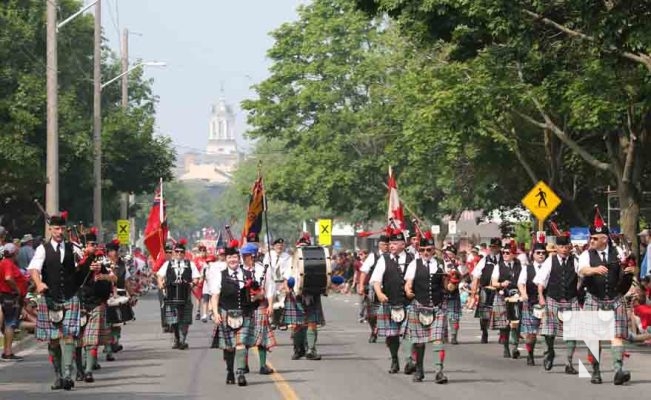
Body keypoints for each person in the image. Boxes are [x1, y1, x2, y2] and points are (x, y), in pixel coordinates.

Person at [27, 212, 93, 390]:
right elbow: (33, 269)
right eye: (56, 228)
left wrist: (90, 260)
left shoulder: (73, 247)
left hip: (71, 296)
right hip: (50, 298)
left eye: (62, 228)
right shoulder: (43, 249)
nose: (59, 231)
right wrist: (39, 283)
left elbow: (83, 269)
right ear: (50, 229)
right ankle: (58, 375)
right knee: (53, 340)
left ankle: (67, 375)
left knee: (69, 335)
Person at [577, 207, 634, 385]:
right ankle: (595, 371)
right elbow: (582, 270)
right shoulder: (586, 254)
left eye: (595, 238)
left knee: (616, 335)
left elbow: (627, 268)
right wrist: (594, 270)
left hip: (615, 298)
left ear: (604, 239)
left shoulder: (618, 253)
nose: (591, 240)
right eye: (591, 237)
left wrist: (630, 271)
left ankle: (618, 370)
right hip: (594, 298)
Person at [533, 229, 581, 374]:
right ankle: (549, 352)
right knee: (548, 332)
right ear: (557, 248)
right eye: (561, 247)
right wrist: (541, 296)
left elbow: (582, 276)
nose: (564, 250)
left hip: (571, 299)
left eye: (566, 247)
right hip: (553, 298)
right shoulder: (550, 261)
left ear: (569, 247)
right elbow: (541, 280)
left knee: (572, 333)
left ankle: (569, 363)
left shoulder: (575, 261)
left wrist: (577, 289)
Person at [404, 233, 449, 383]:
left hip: (437, 306)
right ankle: (419, 370)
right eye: (422, 250)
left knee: (437, 340)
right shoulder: (413, 264)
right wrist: (408, 291)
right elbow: (408, 284)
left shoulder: (441, 264)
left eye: (428, 250)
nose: (425, 253)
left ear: (433, 251)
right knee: (418, 342)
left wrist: (454, 282)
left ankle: (439, 372)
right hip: (419, 306)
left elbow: (447, 286)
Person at [210, 240, 255, 386]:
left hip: (244, 313)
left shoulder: (248, 274)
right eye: (230, 257)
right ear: (226, 260)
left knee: (241, 343)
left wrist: (256, 294)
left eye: (235, 257)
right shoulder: (220, 275)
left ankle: (240, 372)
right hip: (226, 313)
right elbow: (215, 295)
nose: (233, 260)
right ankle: (230, 370)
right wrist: (215, 313)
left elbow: (257, 294)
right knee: (229, 347)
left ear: (239, 258)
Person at [369, 229, 414, 373]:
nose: (392, 246)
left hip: (409, 303)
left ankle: (409, 361)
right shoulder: (384, 259)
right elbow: (376, 279)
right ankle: (394, 359)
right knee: (392, 335)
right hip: (390, 302)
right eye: (391, 243)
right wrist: (379, 293)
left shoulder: (413, 258)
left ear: (403, 244)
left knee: (409, 333)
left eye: (395, 243)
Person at [75, 230, 115, 382]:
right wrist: (84, 265)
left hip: (96, 303)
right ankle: (79, 370)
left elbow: (113, 277)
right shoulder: (74, 258)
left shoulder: (101, 259)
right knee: (77, 341)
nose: (94, 246)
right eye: (91, 244)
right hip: (77, 304)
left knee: (91, 340)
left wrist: (101, 275)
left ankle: (88, 371)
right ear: (83, 246)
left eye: (95, 244)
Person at [284, 233, 327, 360]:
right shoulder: (291, 260)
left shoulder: (315, 259)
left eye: (305, 245)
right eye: (301, 245)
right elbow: (286, 279)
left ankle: (311, 350)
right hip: (296, 295)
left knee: (312, 323)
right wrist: (288, 290)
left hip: (313, 294)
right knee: (297, 324)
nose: (302, 248)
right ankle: (298, 349)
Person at [239, 243, 276, 374]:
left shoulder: (263, 269)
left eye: (247, 255)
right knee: (244, 335)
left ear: (253, 256)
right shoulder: (238, 270)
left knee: (262, 335)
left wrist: (270, 304)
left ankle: (262, 365)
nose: (244, 257)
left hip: (260, 305)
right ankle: (243, 365)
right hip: (244, 306)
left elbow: (270, 288)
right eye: (243, 255)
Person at [157, 239, 200, 350]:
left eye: (181, 252)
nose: (179, 254)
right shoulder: (167, 264)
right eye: (177, 252)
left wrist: (192, 283)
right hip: (171, 295)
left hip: (185, 295)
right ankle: (177, 338)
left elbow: (196, 278)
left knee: (185, 320)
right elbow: (159, 276)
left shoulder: (190, 264)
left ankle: (182, 340)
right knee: (173, 320)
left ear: (184, 253)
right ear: (173, 253)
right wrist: (161, 284)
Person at [490, 241, 523, 359]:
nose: (504, 254)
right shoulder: (498, 266)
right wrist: (501, 284)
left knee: (515, 323)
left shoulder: (520, 266)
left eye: (507, 253)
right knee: (504, 325)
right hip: (502, 296)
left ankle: (515, 347)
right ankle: (505, 347)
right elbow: (493, 282)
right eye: (503, 252)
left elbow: (523, 281)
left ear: (513, 254)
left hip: (516, 297)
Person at [517, 241, 546, 366]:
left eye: (543, 253)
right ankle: (530, 354)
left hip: (546, 303)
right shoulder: (526, 269)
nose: (541, 255)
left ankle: (548, 354)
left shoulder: (549, 267)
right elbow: (520, 283)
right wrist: (523, 293)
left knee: (548, 333)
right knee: (531, 333)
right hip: (531, 302)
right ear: (532, 254)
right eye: (538, 253)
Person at [357, 234, 390, 343]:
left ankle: (389, 334)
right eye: (384, 244)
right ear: (379, 245)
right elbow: (364, 272)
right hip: (374, 288)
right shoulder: (373, 256)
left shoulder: (392, 256)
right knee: (372, 314)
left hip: (389, 287)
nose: (386, 246)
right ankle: (374, 330)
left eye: (387, 244)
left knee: (389, 312)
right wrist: (361, 285)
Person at [470, 237, 502, 343]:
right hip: (486, 289)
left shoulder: (504, 259)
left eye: (496, 247)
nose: (493, 249)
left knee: (501, 313)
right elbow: (476, 276)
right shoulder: (485, 259)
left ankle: (503, 334)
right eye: (492, 246)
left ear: (499, 248)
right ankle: (484, 332)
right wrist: (473, 294)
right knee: (484, 314)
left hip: (499, 290)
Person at [0, 243, 29, 360]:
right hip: (10, 297)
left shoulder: (6, 263)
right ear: (13, 253)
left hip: (8, 296)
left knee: (8, 324)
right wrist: (17, 289)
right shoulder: (7, 264)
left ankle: (7, 351)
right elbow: (8, 278)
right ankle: (8, 352)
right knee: (10, 324)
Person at [263, 238, 292, 330]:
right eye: (277, 245)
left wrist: (285, 282)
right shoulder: (269, 255)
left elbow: (288, 270)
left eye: (281, 245)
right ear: (274, 246)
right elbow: (265, 267)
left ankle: (281, 321)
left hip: (281, 281)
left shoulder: (287, 256)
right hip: (270, 280)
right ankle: (272, 321)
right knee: (271, 301)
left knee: (281, 302)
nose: (279, 247)